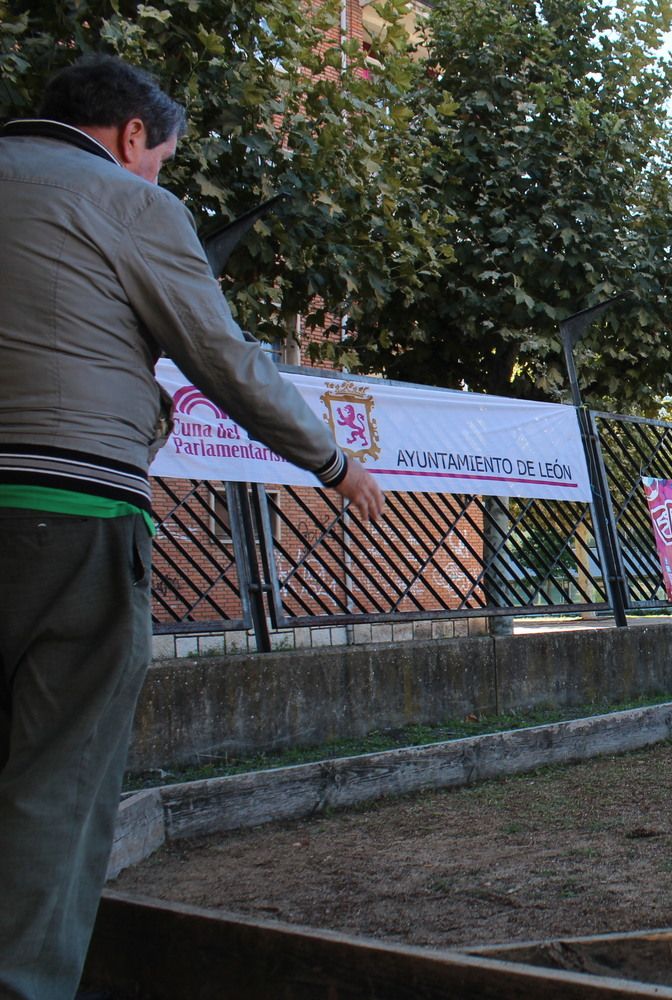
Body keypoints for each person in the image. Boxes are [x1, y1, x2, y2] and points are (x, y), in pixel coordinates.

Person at [0, 56, 383, 1000]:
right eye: (164, 159)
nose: (161, 175)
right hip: (68, 509)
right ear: (134, 135)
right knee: (57, 771)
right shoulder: (127, 202)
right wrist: (332, 460)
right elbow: (222, 359)